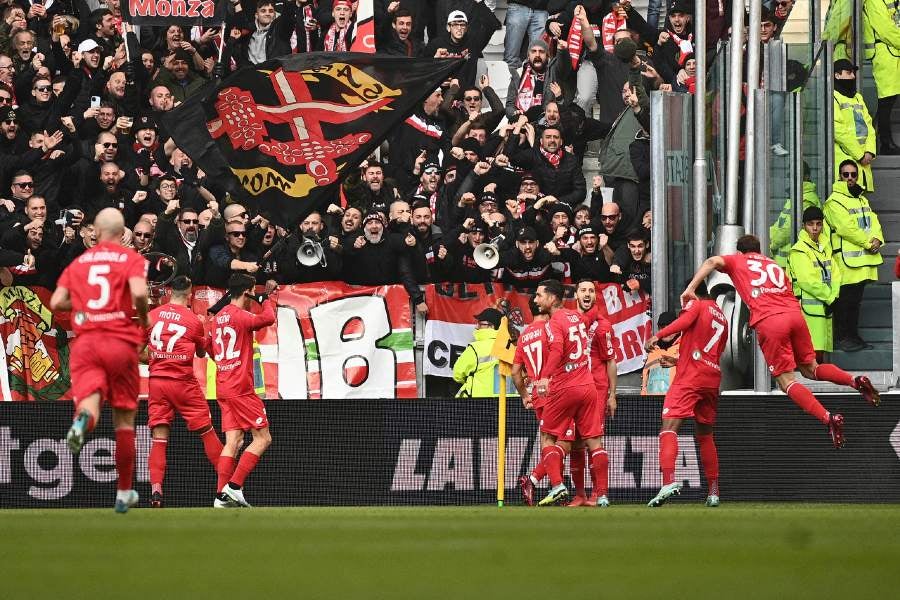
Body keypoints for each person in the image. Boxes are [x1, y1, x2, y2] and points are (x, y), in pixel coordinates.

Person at [681, 234, 880, 449]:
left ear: (740, 252)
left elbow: (712, 261)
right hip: (795, 316)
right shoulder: (774, 265)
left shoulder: (738, 260)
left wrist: (691, 288)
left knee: (787, 382)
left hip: (770, 321)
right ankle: (855, 380)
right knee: (811, 368)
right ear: (759, 250)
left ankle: (828, 418)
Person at [49, 208, 149, 513]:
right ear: (122, 234)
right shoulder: (130, 259)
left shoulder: (79, 262)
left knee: (89, 405)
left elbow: (55, 302)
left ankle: (81, 423)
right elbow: (140, 293)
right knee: (124, 420)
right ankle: (123, 493)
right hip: (119, 341)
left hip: (87, 343)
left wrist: (83, 302)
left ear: (96, 231)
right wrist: (143, 319)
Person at [644, 281, 728, 508]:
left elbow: (683, 322)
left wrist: (657, 335)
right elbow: (713, 352)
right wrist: (676, 360)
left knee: (669, 428)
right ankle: (713, 492)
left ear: (694, 293)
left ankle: (668, 481)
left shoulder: (696, 305)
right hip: (711, 379)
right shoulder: (721, 317)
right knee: (705, 435)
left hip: (690, 379)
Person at [146, 276, 224, 508]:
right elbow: (201, 354)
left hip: (157, 383)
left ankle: (156, 490)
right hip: (183, 382)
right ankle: (226, 488)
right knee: (207, 433)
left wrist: (158, 357)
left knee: (159, 439)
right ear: (189, 294)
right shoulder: (192, 320)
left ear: (170, 292)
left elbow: (137, 350)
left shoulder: (152, 316)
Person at [531, 279, 606, 506]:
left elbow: (556, 351)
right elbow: (591, 316)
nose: (535, 300)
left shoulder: (554, 322)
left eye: (539, 295)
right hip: (588, 387)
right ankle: (601, 495)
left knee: (547, 437)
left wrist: (544, 376)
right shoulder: (577, 318)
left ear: (552, 298)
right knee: (594, 442)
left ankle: (557, 485)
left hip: (565, 387)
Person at [209, 273, 277, 508]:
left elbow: (210, 348)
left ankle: (220, 497)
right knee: (263, 437)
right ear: (247, 291)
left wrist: (226, 365)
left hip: (223, 386)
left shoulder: (218, 318)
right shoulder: (240, 315)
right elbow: (269, 317)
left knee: (234, 441)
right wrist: (266, 297)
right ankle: (234, 487)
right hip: (241, 388)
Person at [566, 279, 618, 507]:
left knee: (593, 441)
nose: (587, 294)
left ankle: (600, 492)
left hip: (596, 390)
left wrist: (612, 394)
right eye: (583, 290)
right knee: (575, 442)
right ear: (576, 294)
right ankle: (580, 495)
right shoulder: (566, 323)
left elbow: (610, 361)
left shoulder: (603, 325)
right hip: (572, 390)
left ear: (595, 296)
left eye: (590, 291)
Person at [823, 160, 884, 352]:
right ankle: (843, 338)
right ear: (839, 176)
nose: (850, 178)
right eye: (845, 174)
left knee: (855, 301)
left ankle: (853, 337)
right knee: (844, 301)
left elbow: (874, 221)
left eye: (853, 174)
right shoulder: (834, 201)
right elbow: (846, 228)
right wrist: (868, 242)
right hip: (846, 261)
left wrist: (877, 239)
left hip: (863, 260)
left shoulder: (861, 199)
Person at [787, 207, 842, 359]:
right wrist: (831, 297)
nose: (815, 228)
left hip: (822, 307)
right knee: (809, 354)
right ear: (804, 225)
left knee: (818, 353)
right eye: (811, 224)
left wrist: (834, 295)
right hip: (807, 310)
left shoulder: (825, 247)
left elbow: (836, 274)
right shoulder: (799, 251)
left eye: (819, 224)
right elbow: (808, 281)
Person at [512, 299, 551, 506]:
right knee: (565, 442)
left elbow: (515, 372)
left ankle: (555, 489)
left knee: (549, 443)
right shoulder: (550, 329)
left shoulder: (524, 335)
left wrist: (524, 396)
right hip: (554, 392)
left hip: (536, 394)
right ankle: (534, 479)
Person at [833, 59, 877, 192]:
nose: (853, 76)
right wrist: (860, 155)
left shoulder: (858, 97)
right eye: (849, 72)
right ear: (837, 75)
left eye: (853, 73)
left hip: (863, 160)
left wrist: (869, 151)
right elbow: (838, 130)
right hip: (846, 160)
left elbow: (869, 124)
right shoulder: (833, 97)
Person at [452, 307, 503, 398]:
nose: (476, 327)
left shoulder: (475, 348)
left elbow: (458, 374)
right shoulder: (512, 346)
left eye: (480, 324)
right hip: (510, 403)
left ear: (491, 326)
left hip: (481, 403)